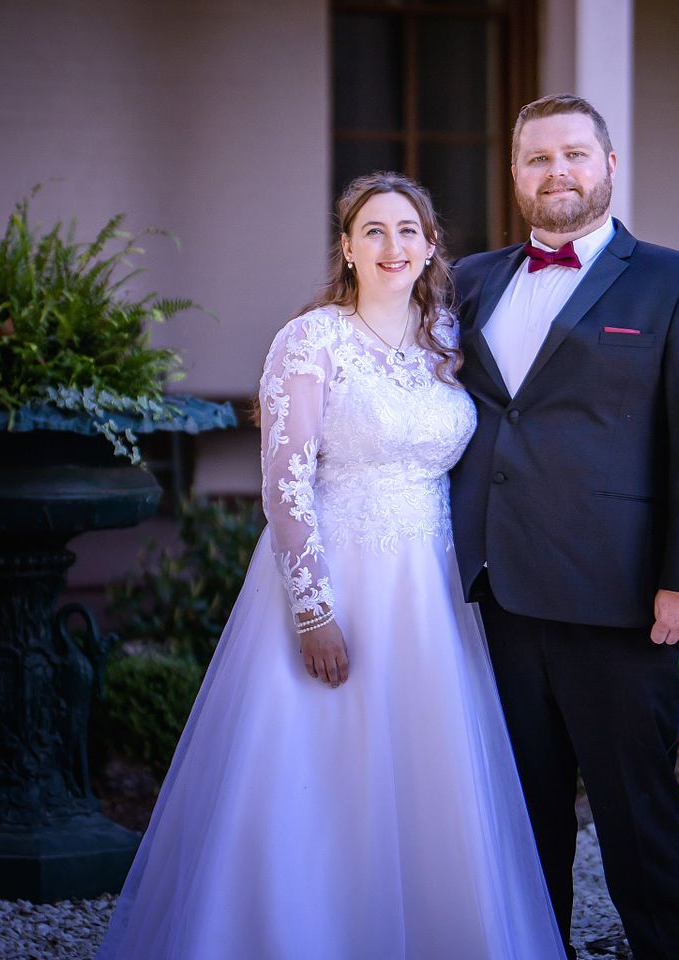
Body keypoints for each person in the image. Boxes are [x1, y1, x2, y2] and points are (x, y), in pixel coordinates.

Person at [96, 172, 565, 960]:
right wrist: (313, 610)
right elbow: (285, 482)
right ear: (346, 248)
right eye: (374, 230)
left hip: (435, 589)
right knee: (320, 768)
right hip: (339, 573)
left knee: (430, 773)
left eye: (408, 230)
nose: (393, 246)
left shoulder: (448, 341)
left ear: (431, 245)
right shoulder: (310, 340)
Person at [450, 95, 679, 960]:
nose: (558, 173)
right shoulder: (468, 281)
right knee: (520, 814)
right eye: (538, 159)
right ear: (515, 175)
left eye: (575, 154)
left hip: (617, 596)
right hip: (492, 592)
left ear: (609, 166)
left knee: (636, 811)